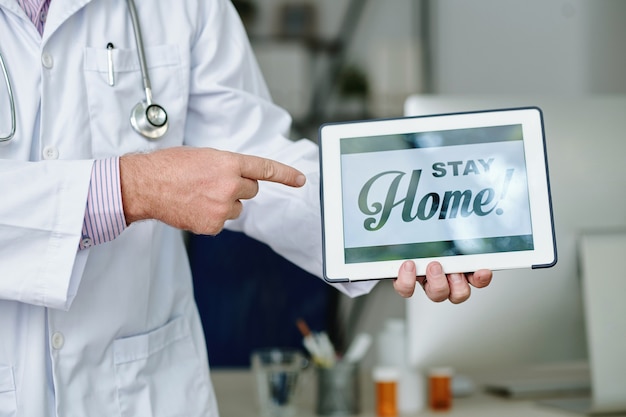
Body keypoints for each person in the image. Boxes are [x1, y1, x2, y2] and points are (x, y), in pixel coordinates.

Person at [0, 0, 492, 416]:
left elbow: (256, 159)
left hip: (141, 393)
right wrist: (128, 187)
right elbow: (138, 184)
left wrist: (402, 228)